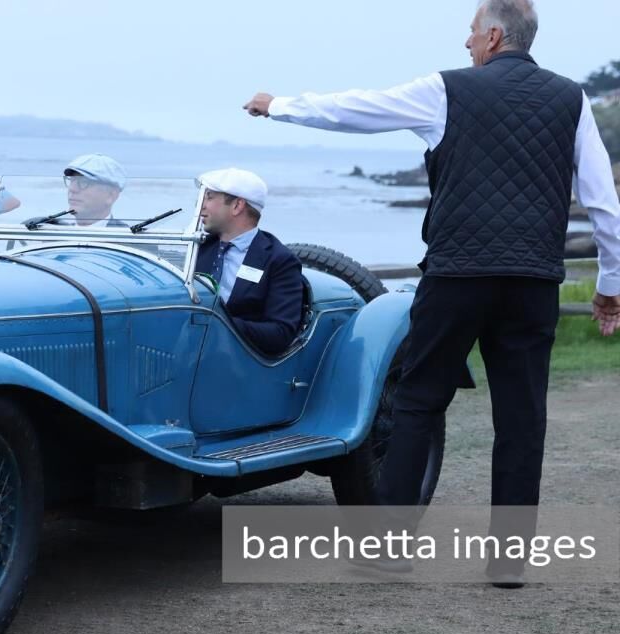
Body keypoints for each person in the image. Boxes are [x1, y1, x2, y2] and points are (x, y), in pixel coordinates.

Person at [242, 0, 620, 586]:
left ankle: (386, 549)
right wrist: (610, 287)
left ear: (494, 36)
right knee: (523, 418)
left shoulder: (447, 91)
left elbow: (357, 109)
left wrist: (280, 106)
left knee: (418, 401)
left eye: (471, 33)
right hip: (533, 282)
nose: (465, 43)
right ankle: (509, 562)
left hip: (457, 276)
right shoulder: (571, 99)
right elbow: (603, 204)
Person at [194, 168, 305, 357]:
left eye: (209, 197)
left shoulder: (279, 260)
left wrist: (217, 322)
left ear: (237, 206)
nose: (200, 205)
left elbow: (281, 333)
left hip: (240, 361)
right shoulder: (197, 247)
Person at [62, 154, 127, 227]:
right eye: (72, 180)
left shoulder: (127, 236)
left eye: (83, 182)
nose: (72, 189)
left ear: (111, 195)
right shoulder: (53, 231)